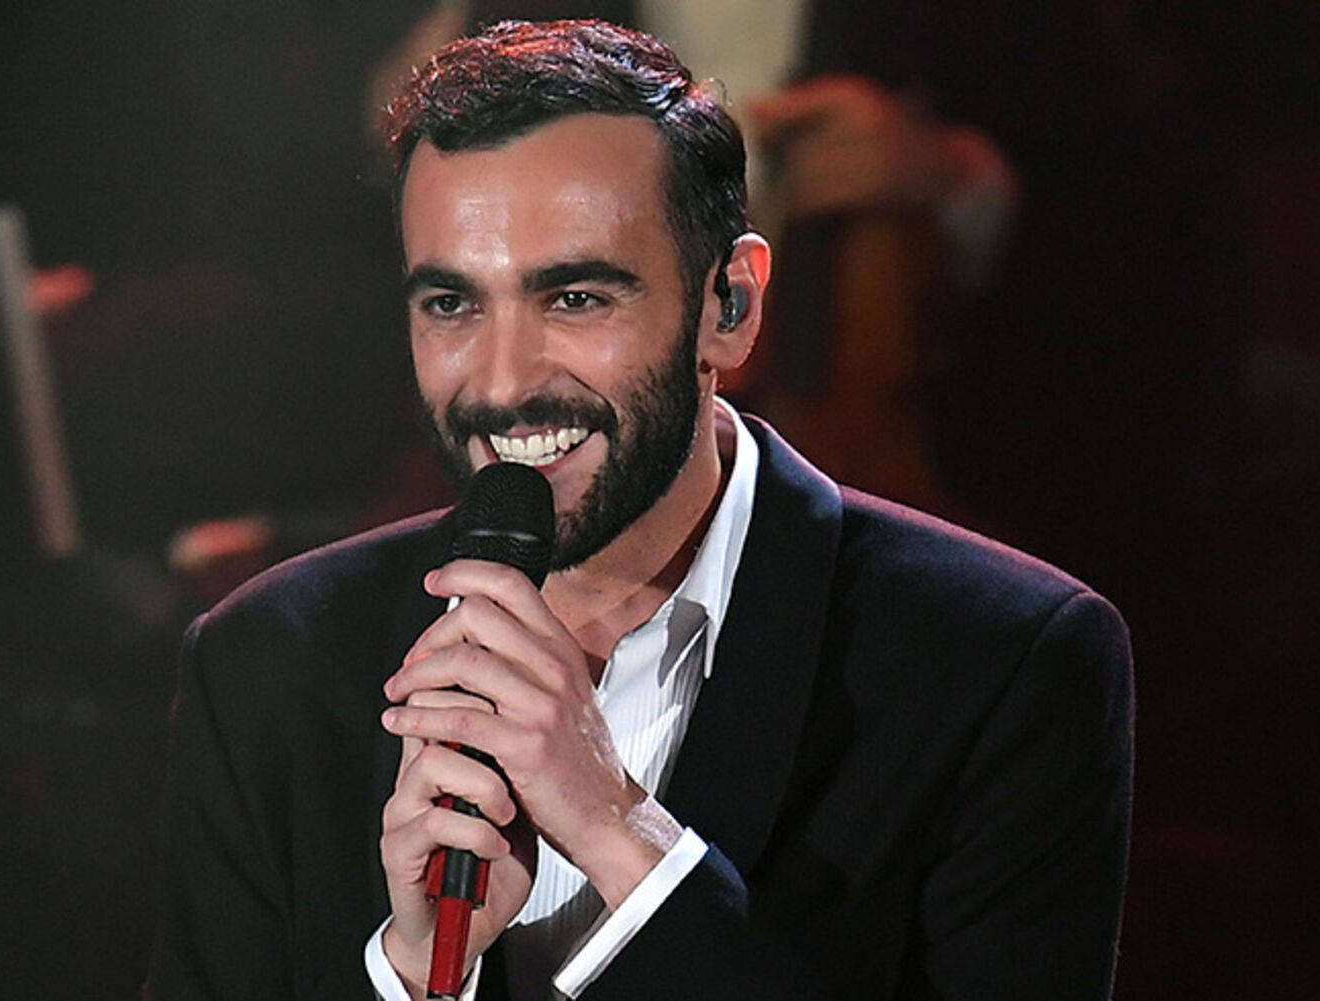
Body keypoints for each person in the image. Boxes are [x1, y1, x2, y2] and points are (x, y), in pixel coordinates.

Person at [146, 19, 1132, 1001]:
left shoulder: (1001, 665)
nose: (503, 383)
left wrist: (623, 836)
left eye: (575, 298)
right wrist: (413, 978)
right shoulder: (267, 666)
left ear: (730, 306)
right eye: (452, 304)